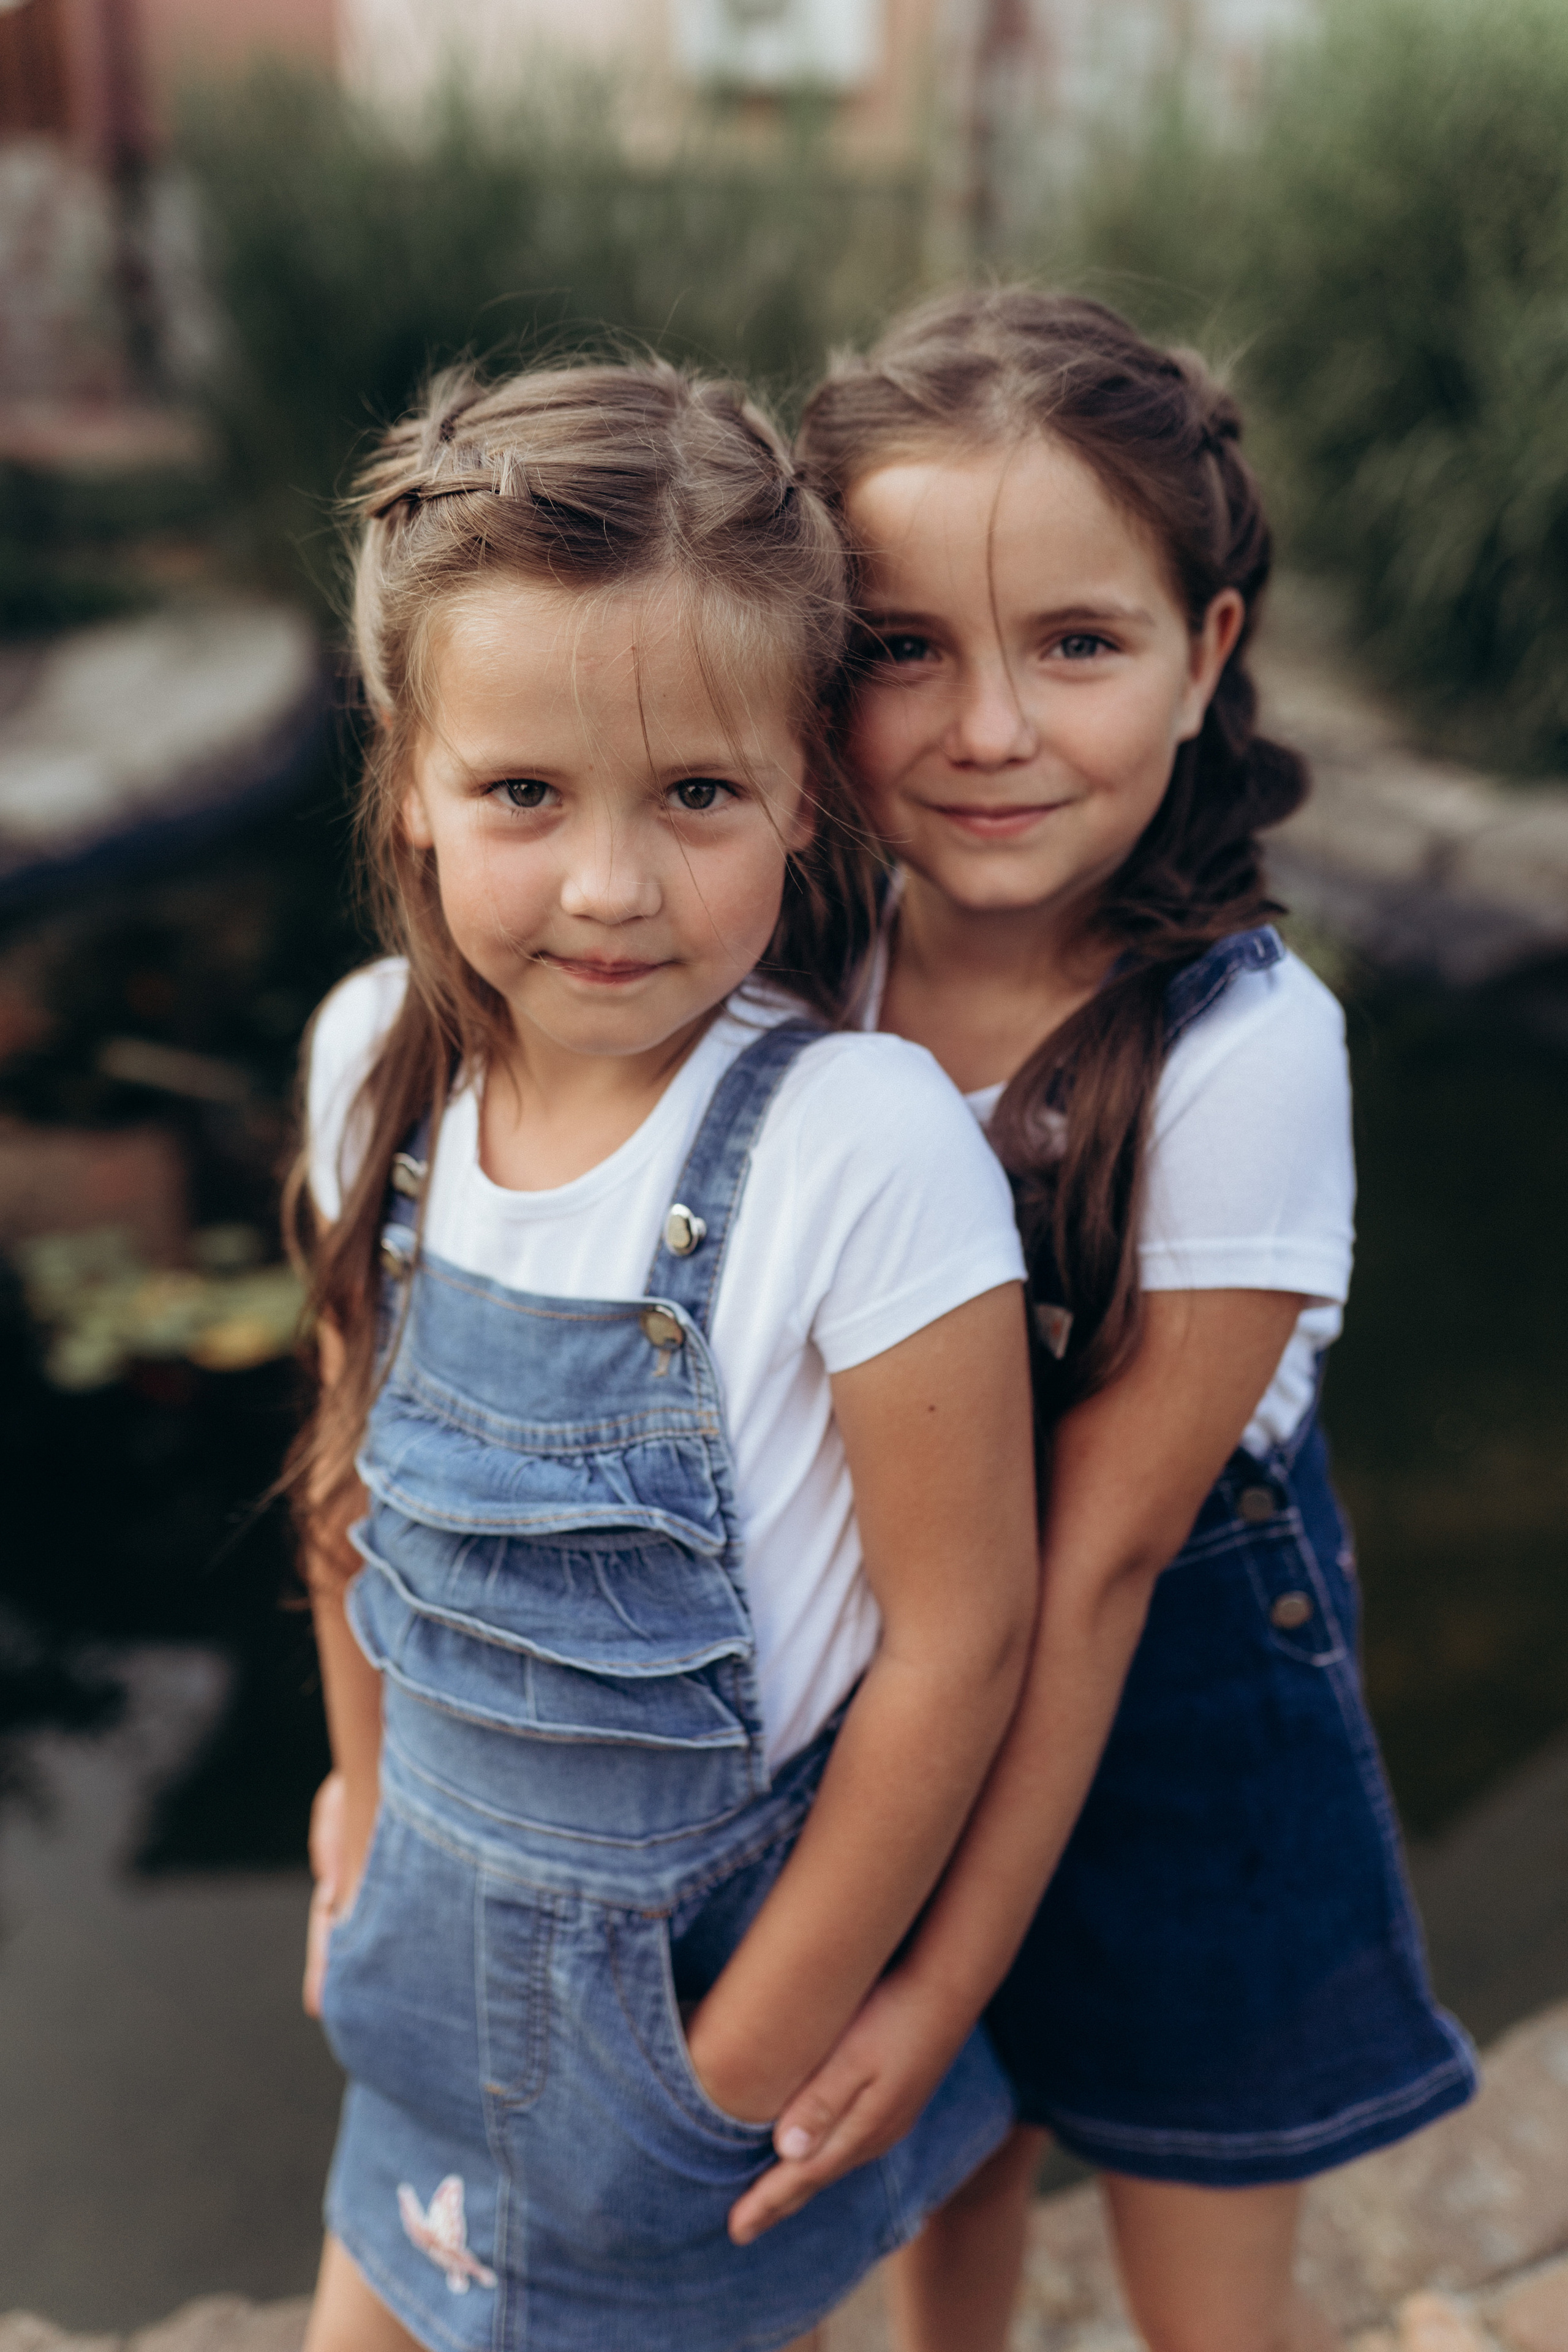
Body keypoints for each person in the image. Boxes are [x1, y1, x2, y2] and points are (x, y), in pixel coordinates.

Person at [725, 288, 1479, 2352]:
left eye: (1076, 642)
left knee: (1198, 2257)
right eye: (905, 652)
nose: (988, 732)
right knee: (931, 2199)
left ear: (1204, 651)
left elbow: (1103, 1559)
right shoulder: (811, 965)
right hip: (886, 1705)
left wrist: (934, 1970)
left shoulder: (1241, 1053)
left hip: (1161, 1710)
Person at [287, 357, 1040, 2352]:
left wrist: (740, 2054)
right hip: (416, 1951)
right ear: (414, 781)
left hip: (694, 2016)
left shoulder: (856, 1143)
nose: (611, 886)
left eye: (695, 794)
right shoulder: (377, 1062)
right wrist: (357, 1808)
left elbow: (963, 1633)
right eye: (523, 794)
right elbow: (349, 1484)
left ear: (802, 788)